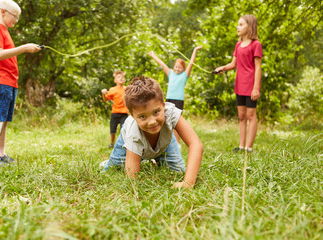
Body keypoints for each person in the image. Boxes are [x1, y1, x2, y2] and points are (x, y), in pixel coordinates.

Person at [101, 76, 203, 189]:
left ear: (163, 105)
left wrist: (188, 183)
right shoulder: (133, 132)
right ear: (132, 115)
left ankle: (151, 160)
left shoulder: (171, 113)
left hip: (164, 142)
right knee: (111, 170)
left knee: (178, 172)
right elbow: (132, 180)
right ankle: (111, 162)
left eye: (156, 112)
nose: (152, 122)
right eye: (143, 116)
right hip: (127, 143)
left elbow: (195, 144)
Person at [0, 0, 41, 167]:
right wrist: (24, 47)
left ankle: (1, 154)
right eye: (14, 16)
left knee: (5, 120)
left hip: (10, 82)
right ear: (3, 12)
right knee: (0, 119)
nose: (16, 20)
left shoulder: (5, 32)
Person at [214, 15, 263, 152]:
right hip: (239, 85)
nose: (238, 27)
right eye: (238, 24)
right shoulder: (238, 45)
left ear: (250, 26)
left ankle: (249, 148)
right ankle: (241, 146)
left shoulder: (256, 45)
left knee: (251, 116)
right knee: (241, 116)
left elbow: (258, 67)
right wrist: (222, 68)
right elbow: (233, 64)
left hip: (251, 85)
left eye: (241, 24)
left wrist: (255, 89)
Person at [149, 46, 202, 146]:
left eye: (180, 67)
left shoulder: (184, 75)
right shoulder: (171, 73)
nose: (177, 69)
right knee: (167, 121)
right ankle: (167, 142)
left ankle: (177, 143)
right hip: (169, 100)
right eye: (176, 66)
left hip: (178, 101)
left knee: (176, 122)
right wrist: (153, 55)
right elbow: (162, 64)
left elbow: (191, 63)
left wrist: (195, 50)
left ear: (183, 69)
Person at [101, 71, 129, 148]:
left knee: (124, 129)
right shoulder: (112, 89)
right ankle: (112, 143)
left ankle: (124, 143)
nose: (121, 79)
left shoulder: (126, 89)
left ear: (124, 80)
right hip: (115, 113)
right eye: (118, 77)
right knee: (112, 129)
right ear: (115, 80)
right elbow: (105, 99)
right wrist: (103, 93)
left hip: (124, 113)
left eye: (122, 77)